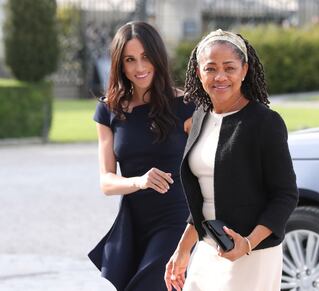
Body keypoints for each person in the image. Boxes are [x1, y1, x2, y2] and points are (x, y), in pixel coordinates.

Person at [164, 29, 298, 291]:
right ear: (198, 73)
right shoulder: (201, 117)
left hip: (251, 252)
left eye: (229, 67)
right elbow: (204, 198)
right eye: (211, 68)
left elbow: (285, 195)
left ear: (244, 70)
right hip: (208, 248)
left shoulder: (265, 123)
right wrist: (182, 250)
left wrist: (247, 243)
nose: (220, 76)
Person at [88, 21, 194, 291]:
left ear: (158, 57)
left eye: (146, 57)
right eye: (130, 60)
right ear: (120, 65)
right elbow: (106, 182)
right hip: (133, 223)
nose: (139, 67)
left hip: (176, 220)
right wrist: (140, 181)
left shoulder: (186, 107)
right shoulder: (109, 111)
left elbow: (207, 167)